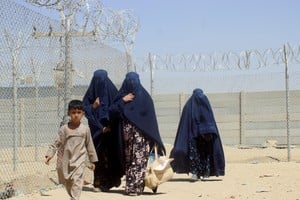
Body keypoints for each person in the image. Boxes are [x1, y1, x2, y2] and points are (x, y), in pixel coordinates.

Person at [109, 71, 165, 196]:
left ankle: (135, 187)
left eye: (134, 80)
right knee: (129, 160)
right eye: (129, 80)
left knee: (138, 160)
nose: (132, 83)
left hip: (142, 137)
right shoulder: (122, 96)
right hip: (126, 136)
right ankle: (132, 186)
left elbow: (150, 119)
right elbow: (112, 111)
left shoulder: (145, 98)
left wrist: (153, 136)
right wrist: (123, 100)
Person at [45, 99, 98, 200]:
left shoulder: (85, 129)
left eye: (79, 112)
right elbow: (56, 143)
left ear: (83, 113)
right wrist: (49, 155)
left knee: (77, 182)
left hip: (80, 161)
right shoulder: (64, 129)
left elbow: (89, 145)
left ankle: (75, 198)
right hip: (67, 161)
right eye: (73, 112)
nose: (76, 115)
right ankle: (73, 195)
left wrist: (92, 160)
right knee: (68, 184)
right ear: (69, 113)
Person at [170, 88, 225, 181]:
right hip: (193, 136)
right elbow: (186, 123)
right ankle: (195, 173)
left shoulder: (203, 104)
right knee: (194, 155)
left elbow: (209, 119)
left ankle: (204, 173)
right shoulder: (189, 106)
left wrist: (206, 131)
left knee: (205, 155)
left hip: (205, 137)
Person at [82, 69, 123, 192]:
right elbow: (84, 110)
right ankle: (99, 183)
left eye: (102, 80)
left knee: (110, 156)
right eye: (97, 80)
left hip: (111, 132)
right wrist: (93, 107)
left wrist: (110, 125)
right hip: (97, 132)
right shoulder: (90, 94)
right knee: (98, 156)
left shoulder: (113, 93)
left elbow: (119, 108)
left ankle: (111, 181)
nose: (100, 83)